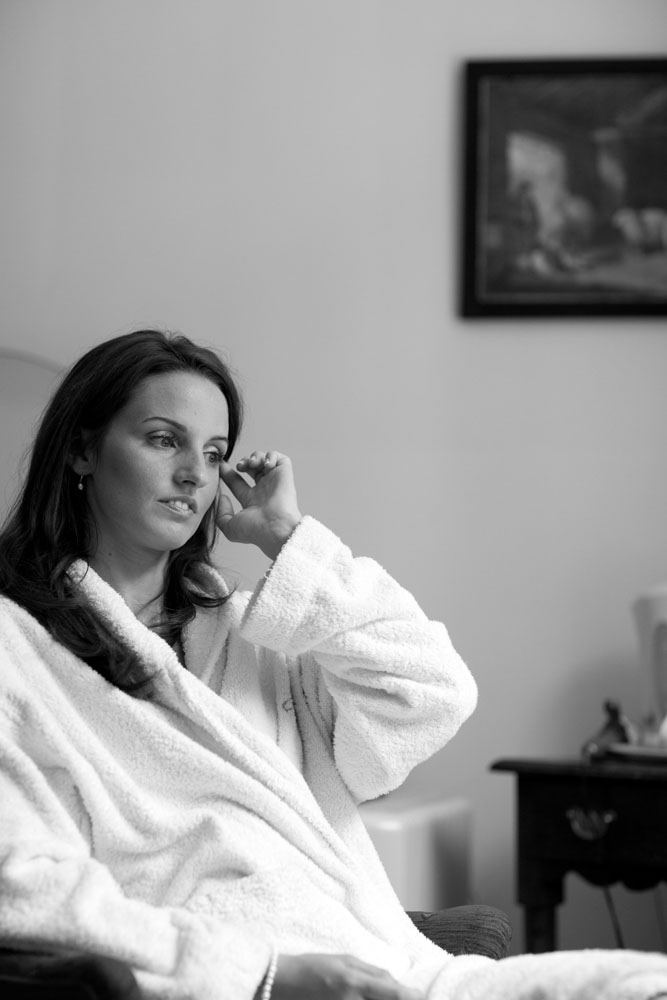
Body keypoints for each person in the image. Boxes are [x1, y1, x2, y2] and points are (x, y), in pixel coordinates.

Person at [1, 330, 667, 1000]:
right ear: (83, 448)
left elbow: (431, 692)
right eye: (162, 439)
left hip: (384, 970)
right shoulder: (19, 648)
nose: (194, 475)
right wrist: (261, 976)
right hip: (226, 983)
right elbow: (25, 886)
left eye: (213, 453)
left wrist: (283, 536)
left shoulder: (247, 635)